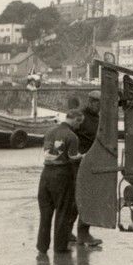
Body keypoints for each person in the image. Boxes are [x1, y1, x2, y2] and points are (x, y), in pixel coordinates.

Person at [37, 109, 84, 254]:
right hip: (62, 175)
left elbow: (48, 151)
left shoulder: (50, 131)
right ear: (74, 119)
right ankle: (60, 247)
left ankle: (42, 246)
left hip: (45, 175)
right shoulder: (72, 136)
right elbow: (72, 157)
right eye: (79, 122)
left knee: (45, 214)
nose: (79, 126)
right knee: (63, 212)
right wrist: (83, 156)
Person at [68, 90, 103, 247]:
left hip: (91, 162)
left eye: (100, 103)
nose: (98, 106)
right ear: (90, 102)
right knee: (78, 198)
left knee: (86, 199)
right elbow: (69, 135)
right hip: (78, 163)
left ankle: (81, 233)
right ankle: (71, 232)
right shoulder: (81, 116)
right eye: (96, 102)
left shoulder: (98, 118)